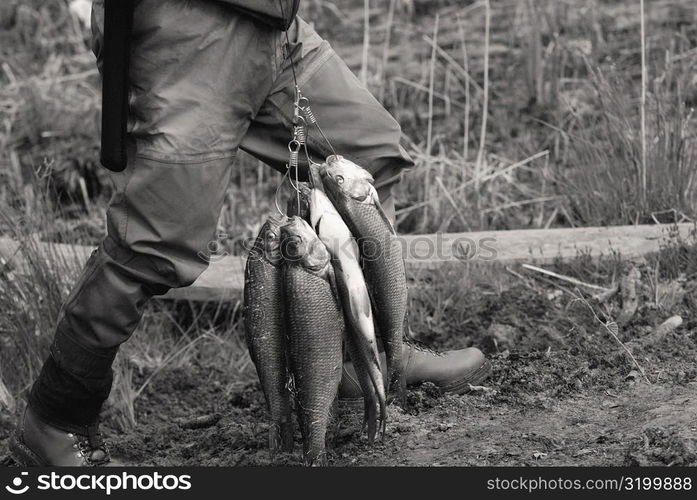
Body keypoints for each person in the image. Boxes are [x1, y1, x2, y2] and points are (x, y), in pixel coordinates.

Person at [9, 0, 490, 466]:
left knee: (366, 156)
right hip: (188, 34)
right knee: (155, 244)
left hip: (275, 28)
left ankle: (363, 357)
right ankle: (57, 415)